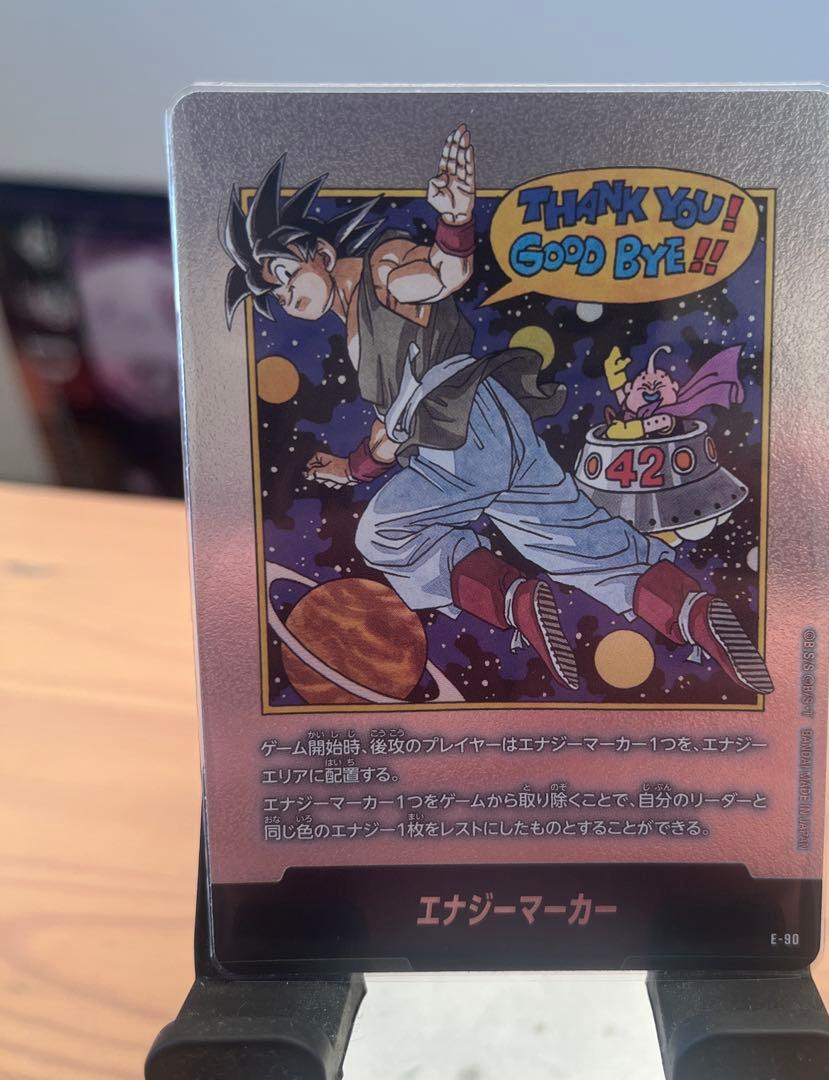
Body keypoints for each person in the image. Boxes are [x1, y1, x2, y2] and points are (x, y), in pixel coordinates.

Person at [222, 126, 773, 696]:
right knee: (579, 540)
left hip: (458, 433)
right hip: (493, 422)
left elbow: (439, 275)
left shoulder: (381, 270)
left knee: (384, 534)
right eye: (273, 296)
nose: (283, 296)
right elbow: (392, 431)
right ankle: (694, 613)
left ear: (319, 253)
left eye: (284, 275)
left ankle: (513, 599)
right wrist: (350, 469)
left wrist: (455, 222)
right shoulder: (354, 324)